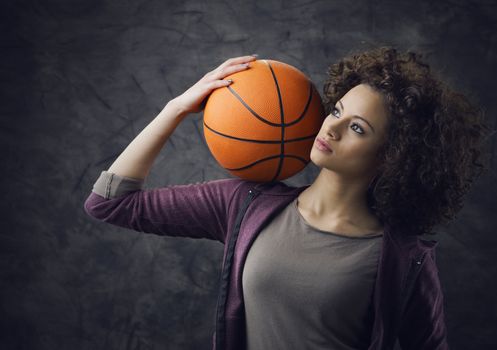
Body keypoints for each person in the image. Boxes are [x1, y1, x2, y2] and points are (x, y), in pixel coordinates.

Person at [84, 47, 492, 350]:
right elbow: (110, 203)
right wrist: (174, 109)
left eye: (358, 128)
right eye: (336, 111)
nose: (330, 130)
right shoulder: (244, 204)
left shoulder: (405, 260)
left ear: (394, 157)